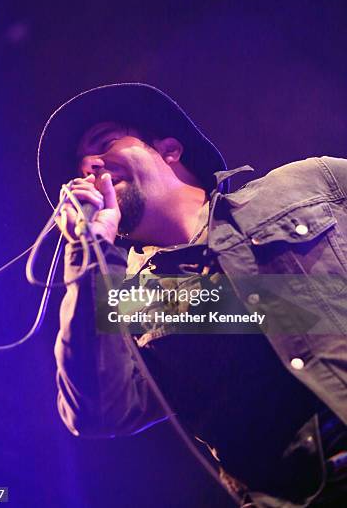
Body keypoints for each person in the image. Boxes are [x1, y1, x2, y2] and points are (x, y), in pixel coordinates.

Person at [37, 83, 347, 507]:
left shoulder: (307, 184)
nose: (89, 165)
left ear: (169, 150)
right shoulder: (131, 307)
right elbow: (97, 412)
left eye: (105, 142)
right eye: (80, 166)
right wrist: (90, 254)